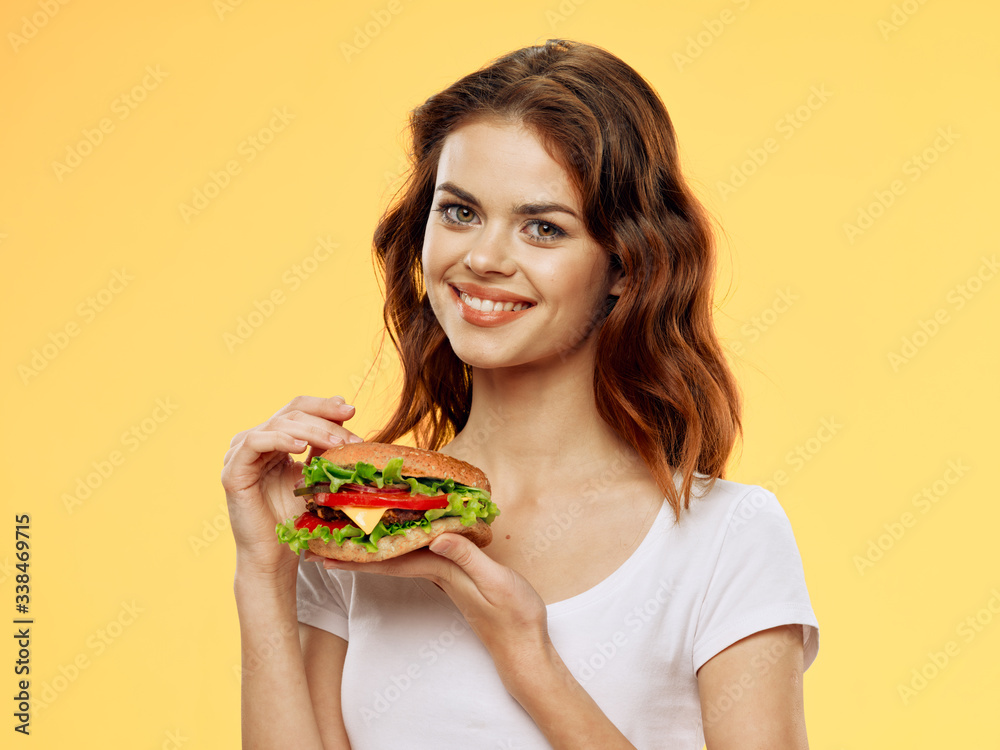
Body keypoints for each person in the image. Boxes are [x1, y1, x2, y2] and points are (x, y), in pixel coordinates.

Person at [221, 38, 819, 749]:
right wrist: (264, 570)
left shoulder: (726, 538)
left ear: (626, 267)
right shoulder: (361, 530)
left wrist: (529, 659)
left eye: (543, 227)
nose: (483, 258)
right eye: (460, 212)